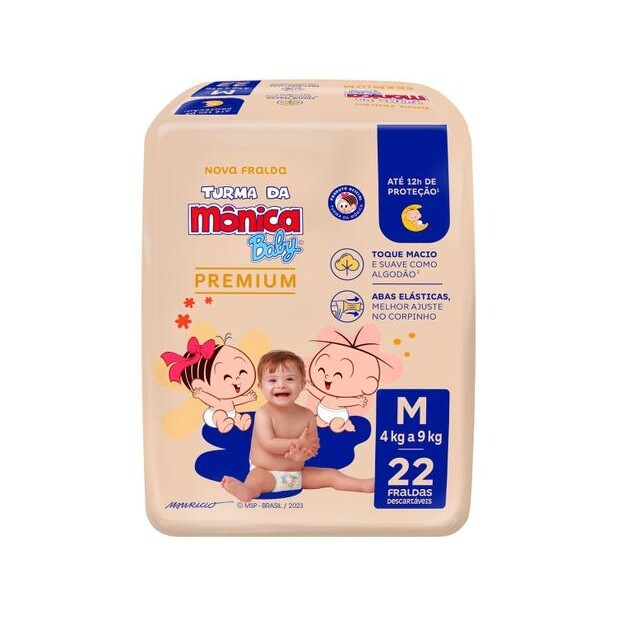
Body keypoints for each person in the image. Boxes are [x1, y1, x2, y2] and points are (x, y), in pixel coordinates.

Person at [221, 350, 374, 502]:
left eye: (289, 379)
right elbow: (269, 444)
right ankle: (247, 491)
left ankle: (363, 485)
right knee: (256, 481)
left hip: (297, 475)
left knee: (331, 475)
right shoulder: (263, 414)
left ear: (302, 384)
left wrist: (303, 454)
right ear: (261, 386)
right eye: (272, 380)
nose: (281, 385)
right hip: (266, 472)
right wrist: (297, 443)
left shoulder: (307, 415)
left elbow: (313, 446)